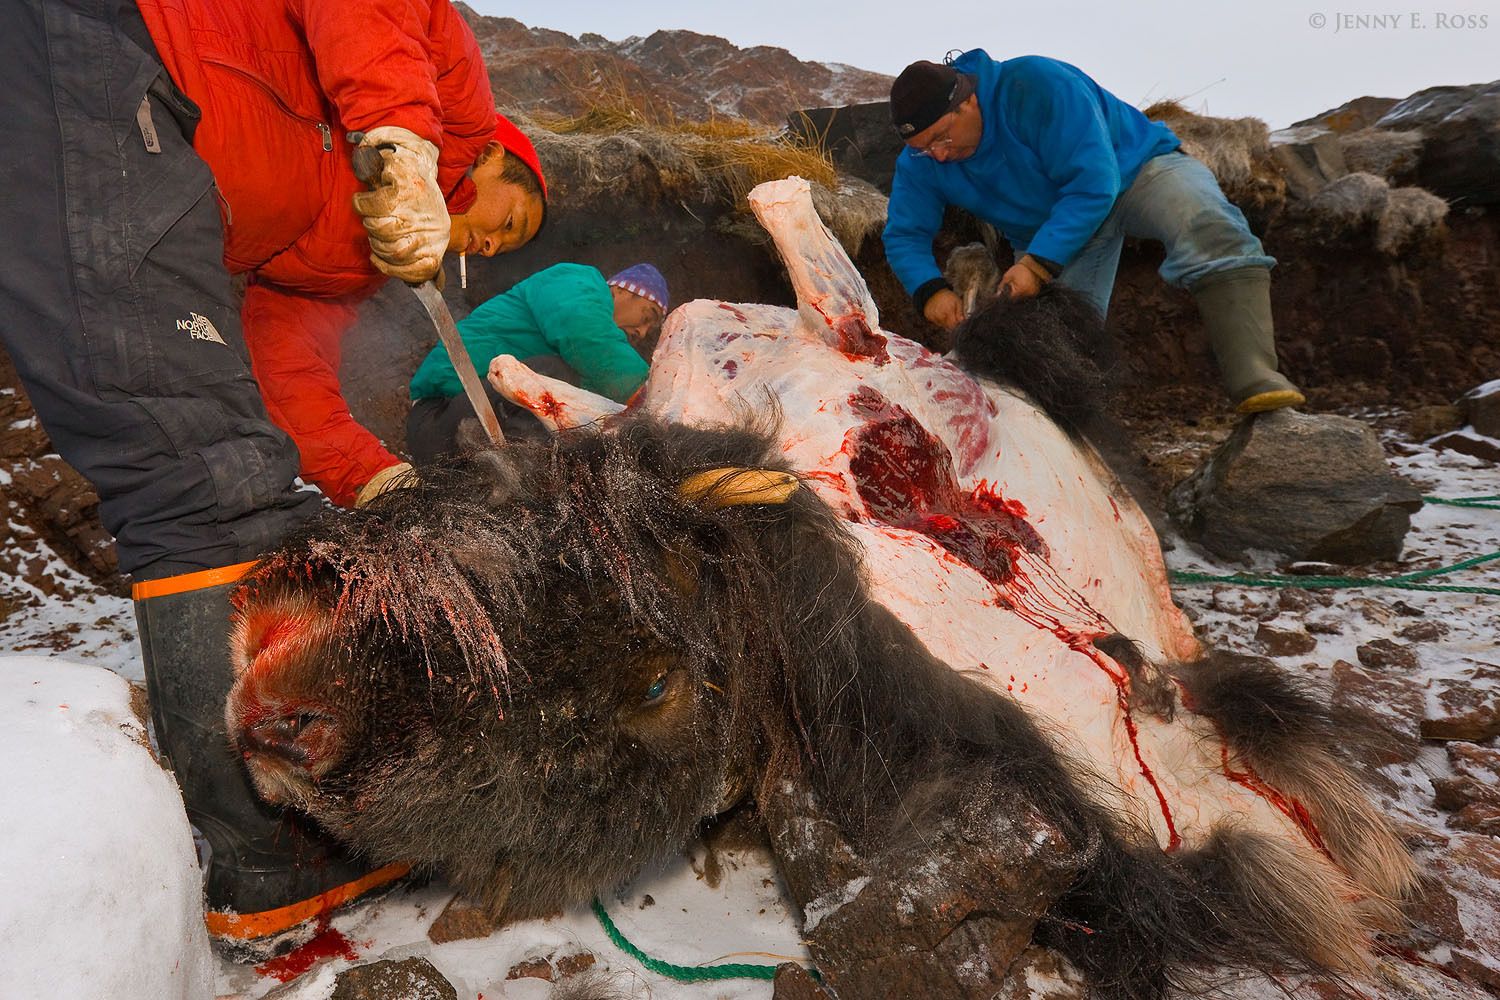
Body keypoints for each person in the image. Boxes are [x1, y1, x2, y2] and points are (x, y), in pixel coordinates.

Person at [0, 0, 542, 952]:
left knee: (215, 456)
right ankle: (277, 851)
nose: (496, 241)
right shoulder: (448, 103)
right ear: (501, 156)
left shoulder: (347, 263)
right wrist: (403, 141)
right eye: (514, 215)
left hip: (128, 149)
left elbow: (281, 373)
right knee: (199, 483)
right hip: (119, 60)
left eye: (506, 246)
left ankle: (278, 839)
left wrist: (375, 480)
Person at [882, 53, 1305, 414]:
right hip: (1052, 230)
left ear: (968, 101)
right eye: (922, 147)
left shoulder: (1035, 84)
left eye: (940, 137)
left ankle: (1257, 378)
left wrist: (1037, 263)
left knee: (1206, 223)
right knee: (1048, 346)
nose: (936, 154)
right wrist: (929, 289)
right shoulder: (922, 161)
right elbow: (904, 234)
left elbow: (1093, 182)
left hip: (1136, 171)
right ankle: (1075, 447)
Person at [406, 263, 668, 461]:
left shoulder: (588, 350)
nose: (643, 332)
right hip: (437, 417)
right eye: (649, 315)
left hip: (467, 419)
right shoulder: (577, 280)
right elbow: (585, 335)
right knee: (551, 374)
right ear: (624, 289)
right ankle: (521, 463)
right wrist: (651, 397)